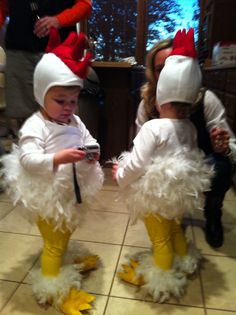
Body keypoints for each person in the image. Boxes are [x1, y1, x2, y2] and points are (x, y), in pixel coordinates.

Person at [1, 28, 104, 314]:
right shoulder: (36, 125)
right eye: (60, 101)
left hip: (71, 193)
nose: (68, 108)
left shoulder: (75, 120)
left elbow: (88, 139)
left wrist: (92, 152)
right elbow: (28, 159)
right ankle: (52, 288)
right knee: (53, 244)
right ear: (40, 94)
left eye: (73, 100)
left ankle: (62, 265)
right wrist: (58, 157)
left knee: (65, 233)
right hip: (48, 197)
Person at [112, 28, 214, 303]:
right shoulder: (189, 126)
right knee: (173, 229)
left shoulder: (153, 127)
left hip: (155, 196)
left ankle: (163, 282)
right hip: (178, 195)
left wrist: (120, 175)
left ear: (160, 98)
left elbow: (136, 163)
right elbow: (191, 158)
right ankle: (185, 262)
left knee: (159, 240)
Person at [135, 35, 236, 249]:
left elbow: (232, 145)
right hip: (164, 169)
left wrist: (225, 147)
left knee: (222, 167)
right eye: (160, 68)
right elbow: (138, 148)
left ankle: (213, 213)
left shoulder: (206, 99)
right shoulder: (146, 104)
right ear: (152, 73)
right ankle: (172, 214)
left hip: (200, 164)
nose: (166, 74)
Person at [0, 0, 92, 135]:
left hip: (60, 50)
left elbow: (85, 6)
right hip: (19, 49)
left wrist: (59, 20)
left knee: (62, 111)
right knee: (21, 116)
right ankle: (28, 151)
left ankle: (60, 152)